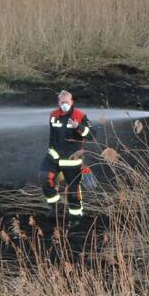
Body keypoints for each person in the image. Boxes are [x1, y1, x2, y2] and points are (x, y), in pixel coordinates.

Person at [42, 90, 94, 223]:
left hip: (72, 160)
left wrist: (78, 127)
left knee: (72, 191)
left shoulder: (80, 115)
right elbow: (52, 136)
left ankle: (76, 216)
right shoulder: (53, 115)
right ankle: (56, 207)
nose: (64, 104)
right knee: (44, 179)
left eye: (67, 102)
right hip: (54, 157)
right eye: (61, 102)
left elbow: (92, 134)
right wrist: (51, 151)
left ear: (72, 102)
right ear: (58, 102)